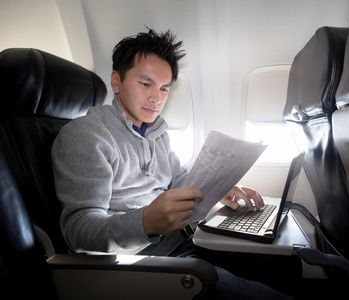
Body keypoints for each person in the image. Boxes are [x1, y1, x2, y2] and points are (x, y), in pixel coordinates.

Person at [51, 28, 293, 299]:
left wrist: (219, 186)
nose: (157, 98)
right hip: (131, 264)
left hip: (178, 241)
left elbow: (178, 180)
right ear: (116, 81)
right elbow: (78, 230)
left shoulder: (156, 132)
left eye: (164, 88)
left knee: (281, 260)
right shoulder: (86, 136)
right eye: (145, 84)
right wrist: (145, 222)